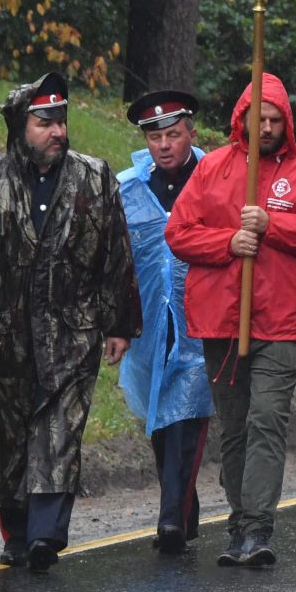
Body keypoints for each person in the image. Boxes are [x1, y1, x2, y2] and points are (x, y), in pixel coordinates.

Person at [0, 72, 138, 572]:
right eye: (44, 122)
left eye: (61, 121)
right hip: (3, 334)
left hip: (72, 330)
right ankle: (17, 531)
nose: (57, 131)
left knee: (60, 428)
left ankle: (46, 535)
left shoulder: (94, 177)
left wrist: (118, 323)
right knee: (6, 432)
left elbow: (116, 253)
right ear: (19, 126)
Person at [167, 73, 296, 569]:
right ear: (240, 118)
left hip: (282, 317)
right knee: (235, 425)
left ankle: (257, 526)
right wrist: (227, 243)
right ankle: (240, 519)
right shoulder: (214, 169)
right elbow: (179, 232)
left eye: (274, 119)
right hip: (222, 318)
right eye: (256, 118)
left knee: (268, 418)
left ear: (286, 121)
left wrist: (273, 225)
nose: (265, 127)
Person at [117, 89, 212, 556]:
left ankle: (171, 516)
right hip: (151, 324)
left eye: (173, 135)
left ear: (191, 135)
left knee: (189, 415)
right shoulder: (130, 188)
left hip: (202, 316)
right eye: (155, 138)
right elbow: (118, 259)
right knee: (160, 418)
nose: (164, 145)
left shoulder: (216, 178)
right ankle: (182, 506)